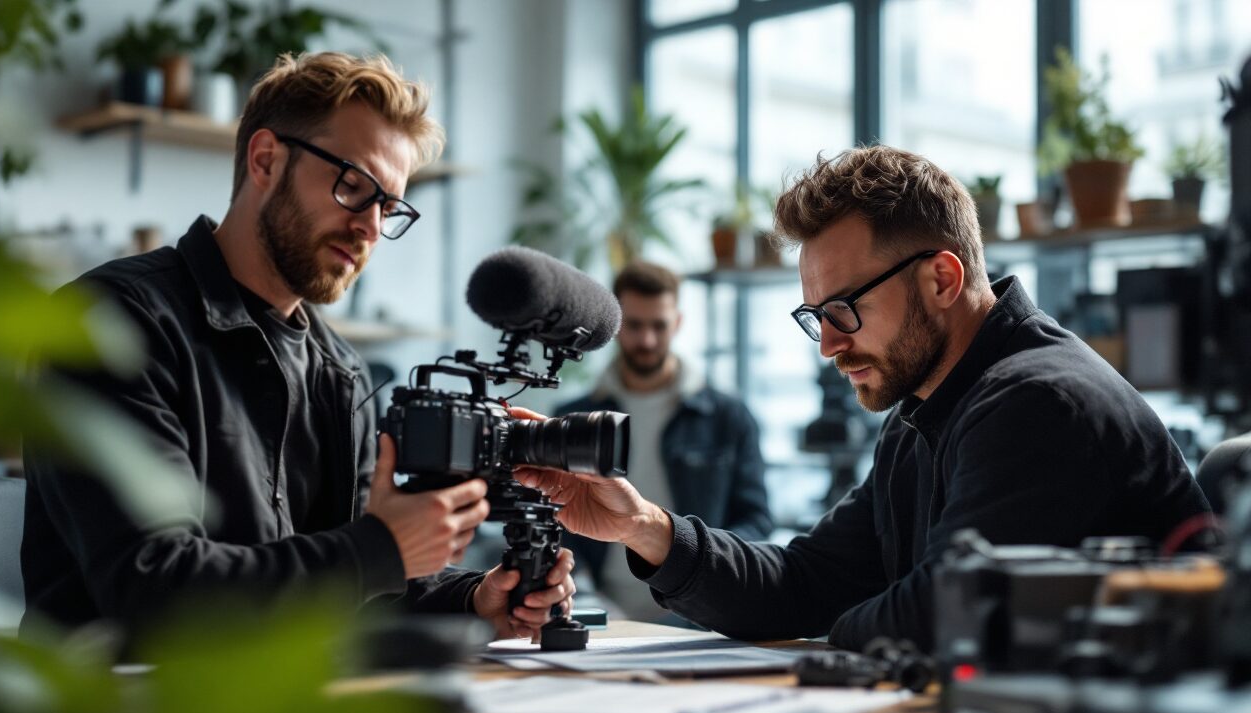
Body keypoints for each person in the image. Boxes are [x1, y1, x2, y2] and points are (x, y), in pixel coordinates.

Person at [512, 145, 1212, 651]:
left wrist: (836, 625)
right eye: (815, 316)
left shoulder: (1040, 404)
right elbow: (805, 581)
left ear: (942, 278)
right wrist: (645, 528)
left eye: (844, 309)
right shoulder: (925, 411)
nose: (828, 344)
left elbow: (941, 619)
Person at [21, 52, 573, 642]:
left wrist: (473, 601)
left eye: (387, 206)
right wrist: (378, 550)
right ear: (265, 160)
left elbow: (348, 585)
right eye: (353, 186)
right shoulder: (112, 323)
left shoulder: (342, 373)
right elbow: (152, 588)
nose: (369, 227)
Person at [555, 262, 771, 621]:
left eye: (659, 326)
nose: (647, 341)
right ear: (616, 324)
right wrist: (583, 592)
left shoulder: (727, 416)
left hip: (702, 611)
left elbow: (756, 519)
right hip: (598, 611)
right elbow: (558, 517)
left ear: (679, 323)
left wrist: (709, 571)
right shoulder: (574, 418)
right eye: (635, 326)